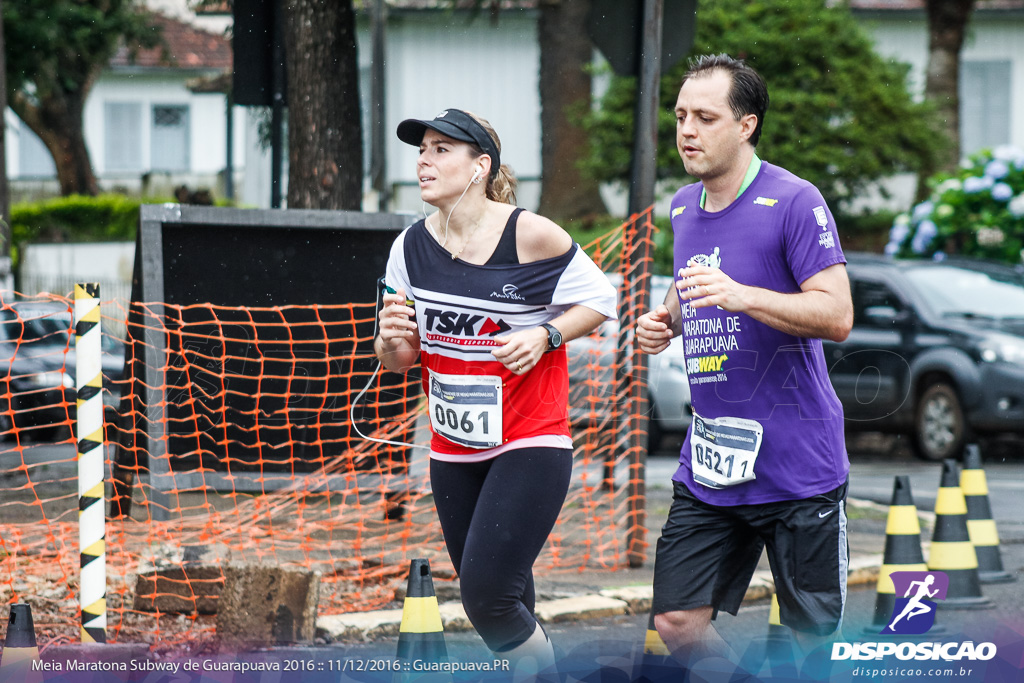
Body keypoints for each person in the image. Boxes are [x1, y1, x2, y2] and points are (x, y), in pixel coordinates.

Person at [375, 108, 616, 677]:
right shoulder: (408, 248)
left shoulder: (528, 233)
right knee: (507, 597)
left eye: (441, 149)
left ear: (480, 166)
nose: (424, 160)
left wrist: (546, 332)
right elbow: (398, 360)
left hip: (528, 442)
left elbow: (601, 299)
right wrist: (389, 341)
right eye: (422, 149)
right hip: (453, 449)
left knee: (487, 600)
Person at [635, 54, 854, 669]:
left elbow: (837, 315)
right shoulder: (682, 206)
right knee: (678, 621)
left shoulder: (793, 200)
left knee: (813, 638)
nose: (686, 130)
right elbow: (692, 283)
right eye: (680, 116)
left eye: (705, 117)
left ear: (746, 124)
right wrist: (667, 320)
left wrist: (741, 297)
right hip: (712, 467)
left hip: (797, 462)